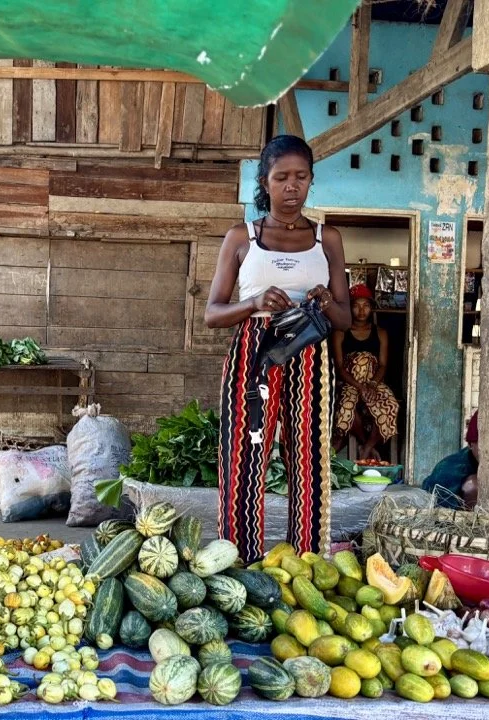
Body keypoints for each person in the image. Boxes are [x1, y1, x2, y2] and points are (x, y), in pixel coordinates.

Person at [205, 135, 352, 561]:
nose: (292, 186)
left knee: (308, 461)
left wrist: (324, 299)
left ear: (311, 181)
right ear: (265, 182)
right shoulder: (241, 237)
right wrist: (253, 303)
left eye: (301, 177)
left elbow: (343, 318)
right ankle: (239, 563)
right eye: (281, 177)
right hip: (254, 353)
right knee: (244, 456)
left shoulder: (329, 239)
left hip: (309, 355)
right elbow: (212, 313)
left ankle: (305, 565)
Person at [332, 284, 400, 459]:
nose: (361, 310)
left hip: (374, 382)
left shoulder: (380, 333)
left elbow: (383, 365)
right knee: (347, 409)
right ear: (349, 308)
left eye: (366, 306)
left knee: (391, 405)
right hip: (349, 383)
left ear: (371, 308)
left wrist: (371, 384)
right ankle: (364, 442)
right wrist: (360, 387)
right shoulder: (340, 333)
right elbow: (340, 368)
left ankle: (367, 448)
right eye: (356, 305)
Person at [421, 411, 478, 509]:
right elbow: (442, 513)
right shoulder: (449, 470)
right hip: (446, 511)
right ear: (470, 444)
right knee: (473, 486)